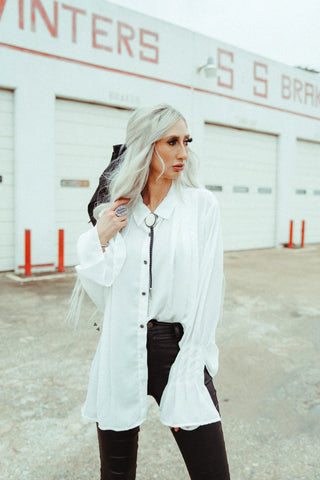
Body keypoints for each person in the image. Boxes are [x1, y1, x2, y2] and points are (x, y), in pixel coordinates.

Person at [74, 103, 230, 479]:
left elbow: (210, 290)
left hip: (176, 348)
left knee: (211, 470)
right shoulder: (120, 211)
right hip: (121, 344)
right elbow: (99, 288)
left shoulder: (201, 206)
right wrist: (100, 235)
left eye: (186, 141)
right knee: (116, 471)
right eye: (171, 142)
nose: (182, 153)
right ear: (146, 146)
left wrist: (192, 365)